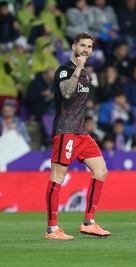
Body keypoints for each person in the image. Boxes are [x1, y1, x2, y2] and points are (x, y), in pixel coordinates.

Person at [45, 32, 110, 240]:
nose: (86, 50)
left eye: (89, 47)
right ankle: (52, 229)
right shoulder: (64, 71)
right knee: (58, 177)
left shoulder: (87, 73)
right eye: (82, 46)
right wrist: (79, 67)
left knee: (101, 171)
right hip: (65, 131)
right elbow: (66, 93)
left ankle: (89, 222)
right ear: (74, 47)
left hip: (81, 132)